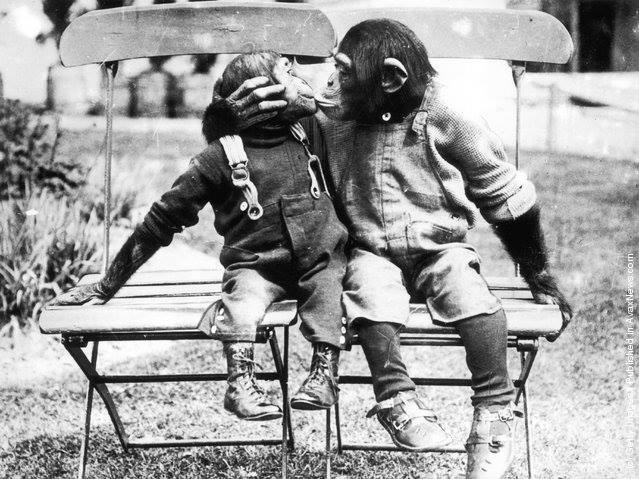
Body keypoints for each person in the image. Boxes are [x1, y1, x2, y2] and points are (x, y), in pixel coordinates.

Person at [206, 19, 573, 479]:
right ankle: (396, 400)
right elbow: (254, 141)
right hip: (369, 251)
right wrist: (224, 117)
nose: (329, 82)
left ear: (391, 79)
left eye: (343, 71)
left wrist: (539, 275)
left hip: (441, 248)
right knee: (368, 292)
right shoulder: (331, 115)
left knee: (473, 297)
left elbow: (507, 195)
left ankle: (494, 413)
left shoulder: (449, 115)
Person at [49, 51, 349, 421]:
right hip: (257, 268)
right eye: (288, 71)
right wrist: (107, 284)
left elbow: (352, 109)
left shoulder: (309, 131)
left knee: (328, 288)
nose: (302, 78)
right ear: (261, 94)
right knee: (242, 299)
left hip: (320, 260)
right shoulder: (221, 156)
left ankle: (323, 376)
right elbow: (162, 219)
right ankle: (240, 384)